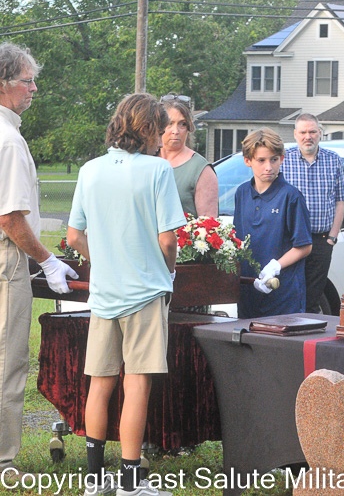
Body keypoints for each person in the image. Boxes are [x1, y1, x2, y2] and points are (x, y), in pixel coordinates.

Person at [67, 93, 185, 496]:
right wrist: (168, 270)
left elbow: (73, 236)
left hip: (104, 293)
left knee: (99, 385)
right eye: (162, 127)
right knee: (136, 385)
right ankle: (131, 484)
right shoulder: (158, 170)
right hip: (145, 292)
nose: (165, 135)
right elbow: (168, 240)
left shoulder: (90, 170)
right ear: (149, 128)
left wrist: (102, 260)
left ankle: (94, 481)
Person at [0, 42, 77, 479]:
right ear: (3, 84)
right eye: (27, 81)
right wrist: (47, 260)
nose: (34, 89)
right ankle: (2, 461)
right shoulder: (8, 139)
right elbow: (10, 217)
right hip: (6, 260)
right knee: (6, 362)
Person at [234, 128, 312, 319]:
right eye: (261, 160)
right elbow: (237, 240)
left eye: (274, 159)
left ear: (282, 159)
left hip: (283, 294)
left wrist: (276, 266)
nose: (268, 167)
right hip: (249, 290)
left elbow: (304, 246)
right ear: (248, 161)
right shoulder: (242, 193)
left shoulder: (291, 196)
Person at [281, 113, 344, 313]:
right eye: (303, 132)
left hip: (321, 241)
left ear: (320, 133)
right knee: (288, 295)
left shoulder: (333, 160)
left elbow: (340, 201)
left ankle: (308, 332)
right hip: (290, 242)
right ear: (295, 134)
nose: (307, 136)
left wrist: (332, 238)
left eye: (312, 132)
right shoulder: (283, 160)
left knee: (313, 298)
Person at [159, 94, 218, 217]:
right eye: (170, 123)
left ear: (189, 127)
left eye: (182, 124)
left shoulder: (200, 169)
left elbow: (209, 223)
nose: (175, 131)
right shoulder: (144, 160)